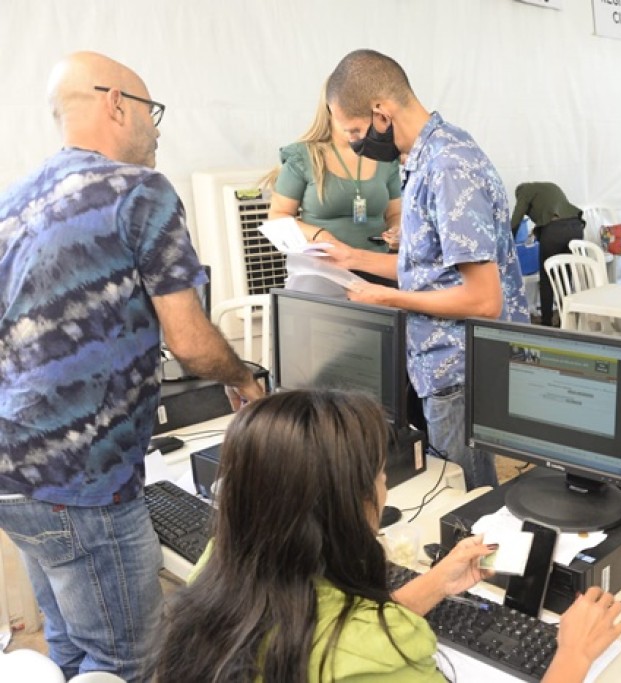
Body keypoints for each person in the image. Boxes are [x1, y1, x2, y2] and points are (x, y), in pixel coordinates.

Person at [0, 52, 265, 681]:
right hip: (84, 486)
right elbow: (192, 341)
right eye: (152, 111)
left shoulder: (13, 204)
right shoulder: (140, 192)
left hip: (14, 473)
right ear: (116, 103)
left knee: (69, 643)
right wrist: (242, 377)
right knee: (130, 663)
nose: (155, 128)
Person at [151, 390, 621, 683]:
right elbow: (354, 647)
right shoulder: (386, 652)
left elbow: (324, 629)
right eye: (381, 475)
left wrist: (437, 582)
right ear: (352, 505)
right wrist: (572, 656)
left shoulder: (225, 564)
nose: (384, 485)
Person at [318, 49, 530, 490]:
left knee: (462, 497)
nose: (358, 144)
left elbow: (483, 300)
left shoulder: (448, 167)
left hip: (459, 367)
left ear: (381, 113)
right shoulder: (430, 156)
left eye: (357, 131)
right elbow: (429, 270)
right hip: (442, 363)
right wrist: (351, 258)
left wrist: (385, 297)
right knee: (452, 488)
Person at [267, 83, 402, 269]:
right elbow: (277, 216)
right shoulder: (303, 156)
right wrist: (321, 236)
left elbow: (395, 213)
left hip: (377, 264)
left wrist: (397, 231)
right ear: (332, 108)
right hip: (322, 266)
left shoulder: (385, 157)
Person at [510, 182, 586, 326]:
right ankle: (566, 321)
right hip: (576, 227)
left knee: (547, 278)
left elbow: (516, 221)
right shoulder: (551, 187)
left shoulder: (524, 191)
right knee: (565, 276)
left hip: (554, 232)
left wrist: (507, 243)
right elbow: (557, 211)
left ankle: (546, 322)